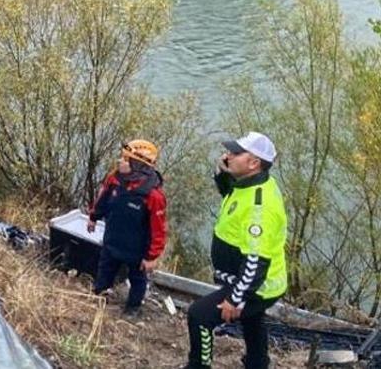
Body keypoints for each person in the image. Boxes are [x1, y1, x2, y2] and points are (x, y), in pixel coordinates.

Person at [185, 132, 288, 369]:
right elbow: (231, 193)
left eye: (236, 153)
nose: (227, 155)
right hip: (252, 280)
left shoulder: (259, 210)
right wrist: (223, 173)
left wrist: (234, 298)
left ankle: (199, 365)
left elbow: (256, 262)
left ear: (254, 163)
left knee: (199, 316)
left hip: (257, 285)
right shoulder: (251, 182)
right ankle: (257, 363)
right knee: (252, 319)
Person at [86, 139, 168, 316]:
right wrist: (93, 217)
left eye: (125, 159)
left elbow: (159, 230)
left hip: (137, 251)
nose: (120, 162)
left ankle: (132, 308)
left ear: (138, 165)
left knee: (138, 280)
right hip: (112, 240)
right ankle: (100, 296)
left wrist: (151, 257)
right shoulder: (115, 180)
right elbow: (102, 200)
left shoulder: (153, 195)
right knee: (104, 270)